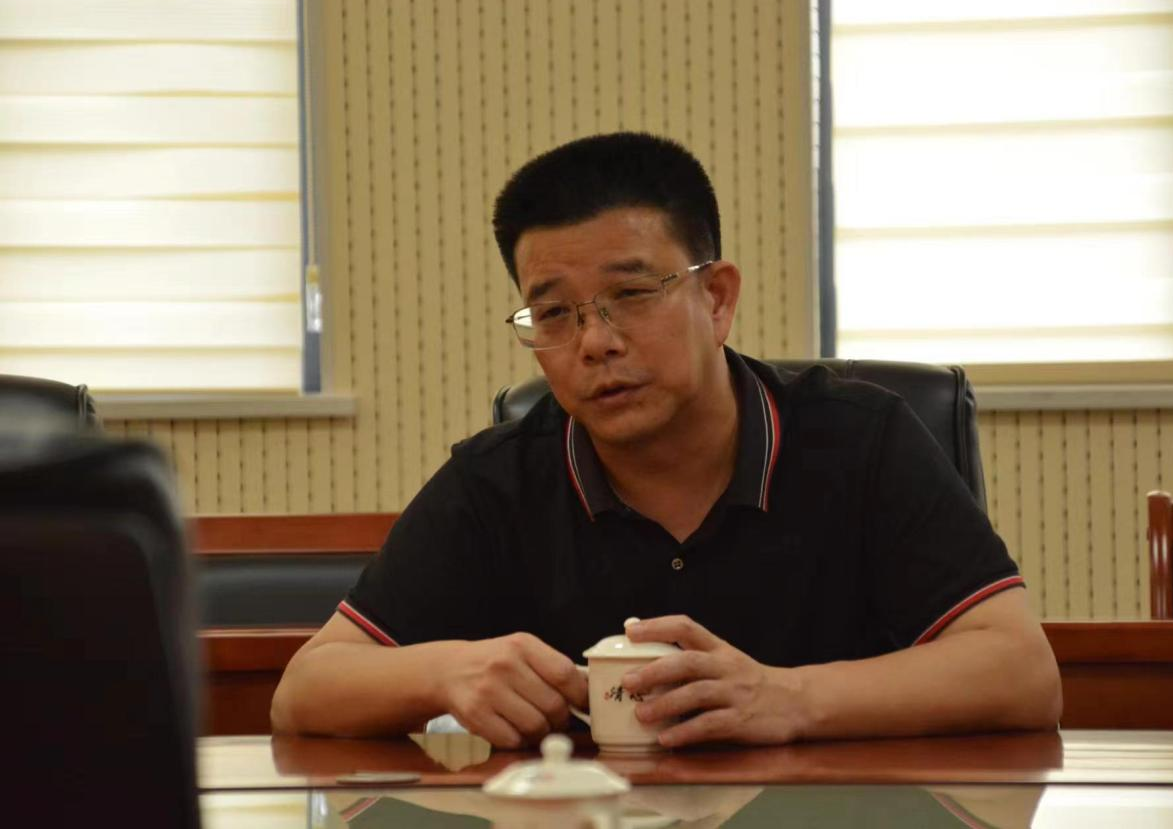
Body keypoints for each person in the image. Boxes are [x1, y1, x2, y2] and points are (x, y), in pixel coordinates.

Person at [271, 132, 1061, 747]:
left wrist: (787, 698)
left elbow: (1021, 671)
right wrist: (444, 671)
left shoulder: (861, 440)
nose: (594, 342)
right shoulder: (497, 481)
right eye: (554, 312)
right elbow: (305, 689)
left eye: (631, 292)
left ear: (716, 299)